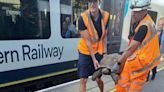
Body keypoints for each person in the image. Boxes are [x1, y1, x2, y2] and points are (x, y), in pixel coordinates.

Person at [112, 0, 160, 92]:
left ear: (145, 11)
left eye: (137, 12)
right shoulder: (147, 21)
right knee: (123, 81)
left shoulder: (144, 26)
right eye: (133, 11)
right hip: (142, 59)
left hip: (141, 62)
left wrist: (118, 63)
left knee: (133, 85)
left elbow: (131, 48)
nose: (134, 14)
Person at [77, 0, 109, 92]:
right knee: (83, 80)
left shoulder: (106, 16)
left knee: (98, 78)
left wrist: (105, 53)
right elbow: (87, 41)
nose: (92, 4)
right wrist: (94, 59)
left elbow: (105, 36)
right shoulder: (82, 18)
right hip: (85, 51)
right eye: (90, 2)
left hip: (98, 50)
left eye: (94, 1)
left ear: (99, 2)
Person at [147, 17, 164, 81]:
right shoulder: (153, 31)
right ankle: (147, 77)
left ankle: (153, 74)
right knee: (148, 66)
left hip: (157, 53)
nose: (160, 26)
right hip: (150, 52)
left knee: (154, 66)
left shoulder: (163, 34)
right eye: (159, 24)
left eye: (162, 25)